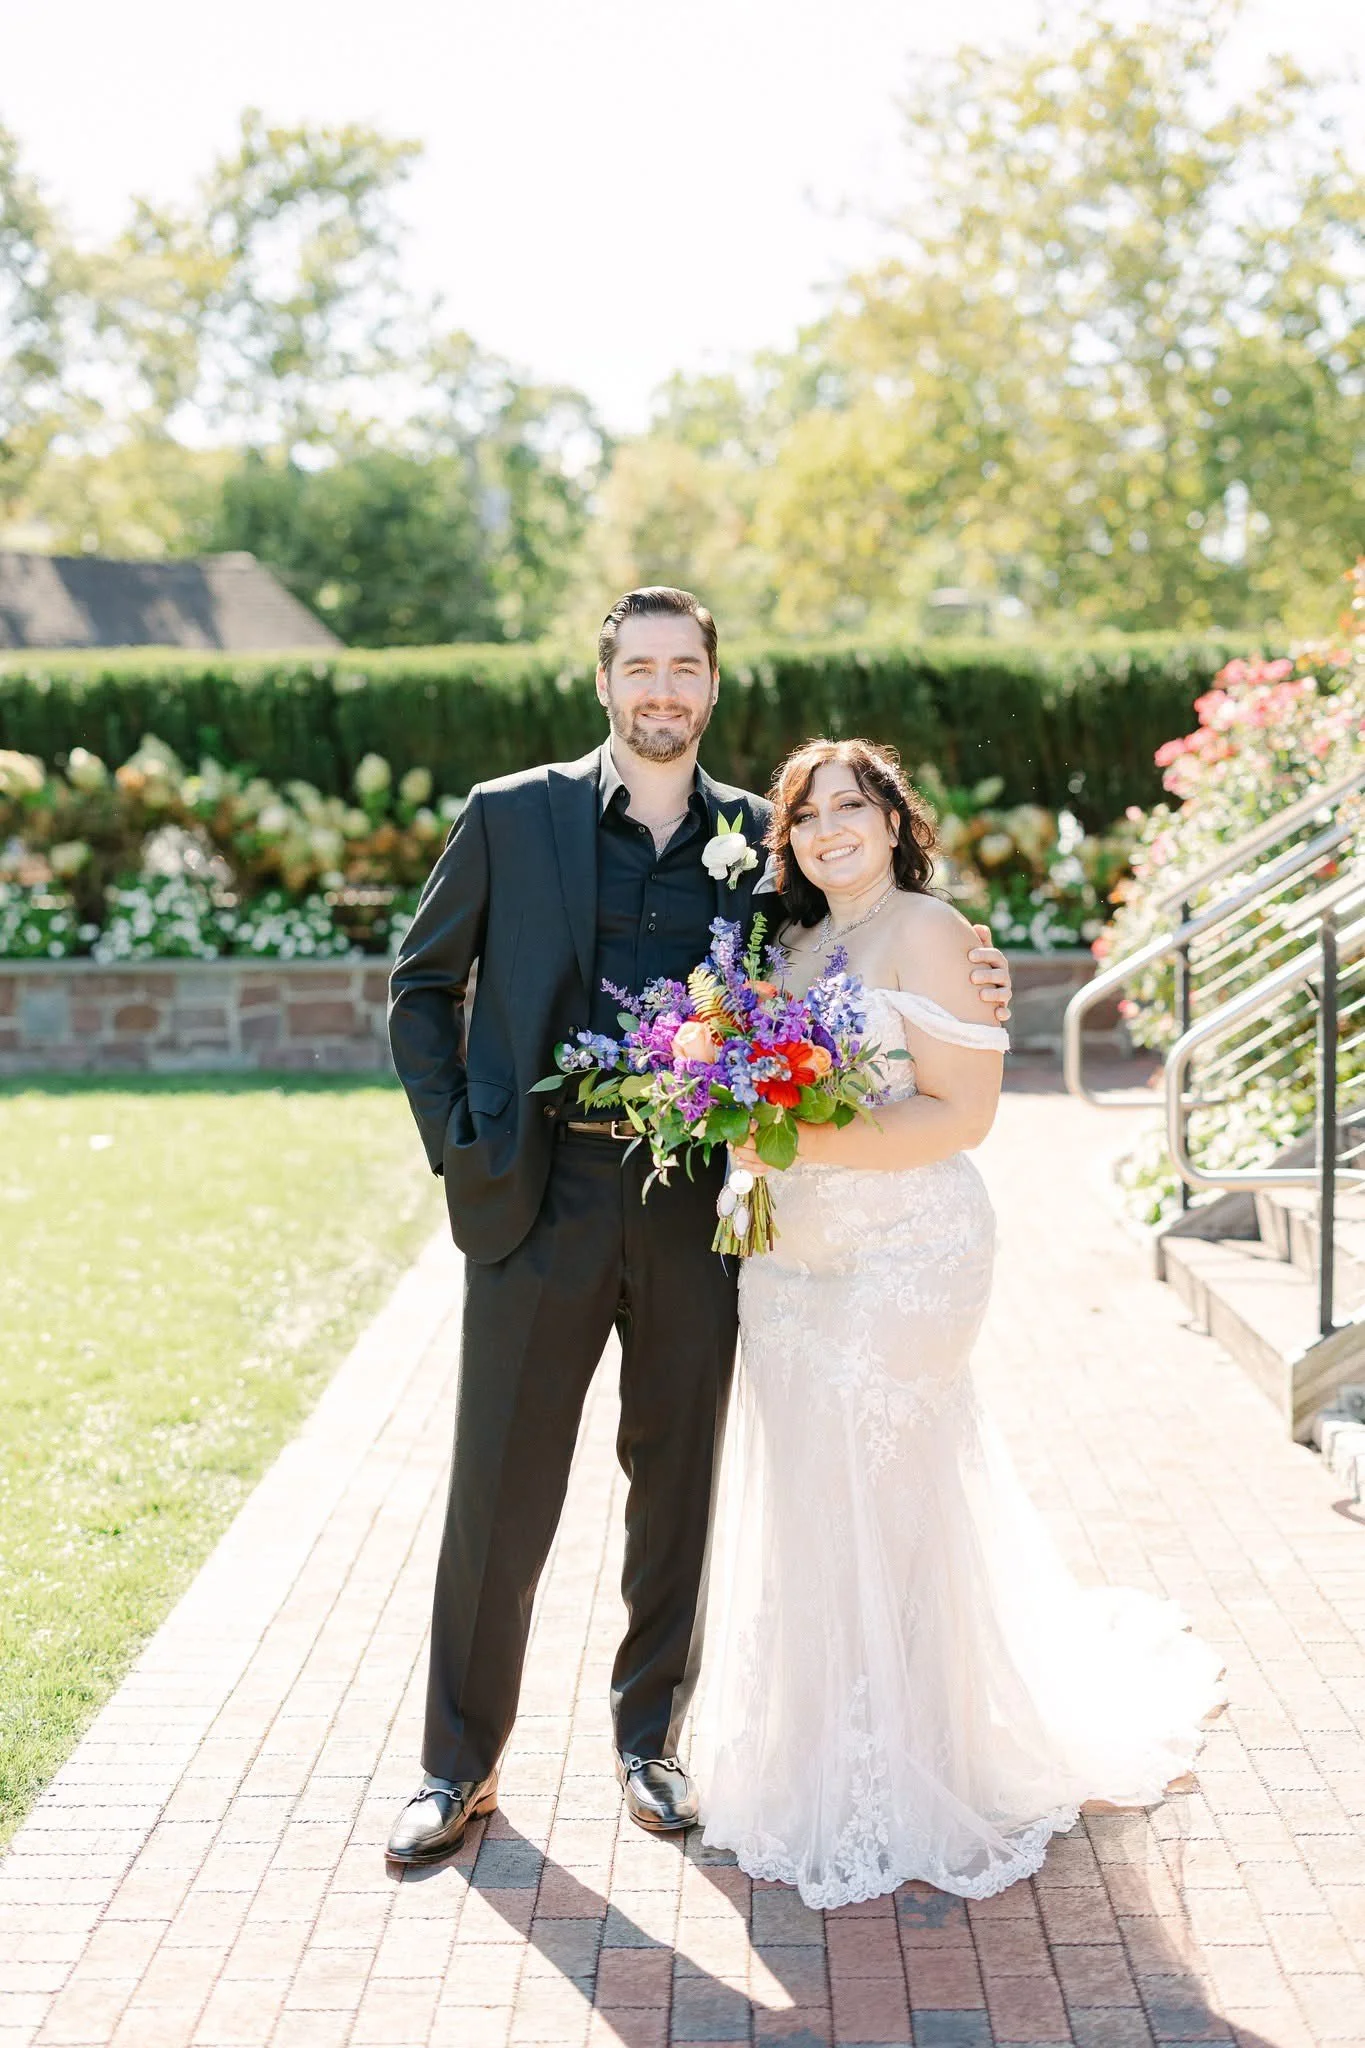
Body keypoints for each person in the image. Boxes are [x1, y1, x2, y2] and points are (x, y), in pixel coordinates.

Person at [383, 591, 1015, 1867]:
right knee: (500, 1485)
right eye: (641, 668)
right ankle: (458, 1765)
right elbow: (419, 984)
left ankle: (649, 1740)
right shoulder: (510, 814)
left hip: (701, 1209)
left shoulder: (756, 840)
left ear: (712, 688)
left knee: (675, 1483)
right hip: (537, 1198)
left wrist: (980, 972)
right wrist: (467, 1142)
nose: (663, 689)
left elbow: (863, 946)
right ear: (605, 680)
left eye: (686, 668)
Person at [698, 737, 1224, 1908]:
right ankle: (820, 1747)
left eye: (852, 804)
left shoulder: (935, 936)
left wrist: (797, 1138)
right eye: (807, 814)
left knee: (885, 1490)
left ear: (893, 822)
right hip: (793, 1259)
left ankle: (915, 1763)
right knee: (811, 1497)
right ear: (787, 842)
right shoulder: (785, 946)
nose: (830, 827)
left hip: (907, 1254)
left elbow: (962, 1113)